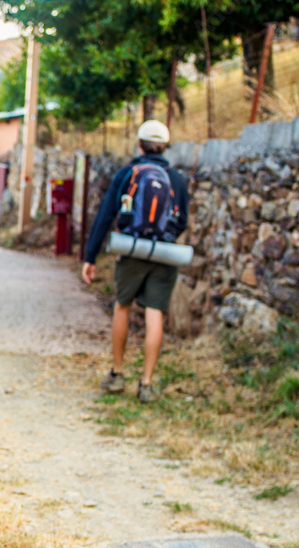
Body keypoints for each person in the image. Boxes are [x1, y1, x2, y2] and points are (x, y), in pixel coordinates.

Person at [81, 119, 189, 403]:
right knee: (155, 314)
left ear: (139, 144)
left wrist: (90, 257)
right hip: (164, 255)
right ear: (165, 147)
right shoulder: (176, 179)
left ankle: (117, 374)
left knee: (123, 306)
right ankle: (147, 384)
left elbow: (106, 215)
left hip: (130, 250)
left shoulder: (127, 173)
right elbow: (182, 222)